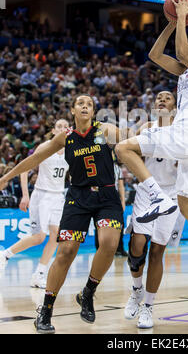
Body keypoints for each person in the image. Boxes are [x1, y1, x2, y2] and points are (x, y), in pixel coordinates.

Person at [116, 0, 188, 294]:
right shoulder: (187, 70)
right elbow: (155, 55)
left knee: (123, 147)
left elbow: (181, 52)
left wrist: (181, 19)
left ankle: (157, 198)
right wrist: (169, 24)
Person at [0, 94, 124, 334]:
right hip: (78, 196)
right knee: (66, 250)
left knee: (109, 243)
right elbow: (33, 159)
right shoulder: (64, 138)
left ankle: (87, 292)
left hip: (107, 195)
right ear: (73, 111)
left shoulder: (106, 129)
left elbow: (133, 137)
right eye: (80, 103)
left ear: (94, 110)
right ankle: (45, 311)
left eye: (89, 103)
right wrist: (6, 177)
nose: (85, 106)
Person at [124, 90, 185, 329]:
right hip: (147, 192)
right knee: (138, 242)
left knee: (158, 251)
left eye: (167, 97)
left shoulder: (182, 134)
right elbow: (130, 156)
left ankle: (148, 307)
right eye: (158, 97)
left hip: (171, 195)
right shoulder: (146, 128)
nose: (161, 99)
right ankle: (136, 291)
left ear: (175, 107)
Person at [0, 119, 69, 290]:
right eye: (59, 126)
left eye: (65, 126)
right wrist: (25, 195)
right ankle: (5, 255)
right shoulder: (45, 147)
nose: (62, 129)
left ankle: (38, 275)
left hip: (58, 196)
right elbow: (24, 169)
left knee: (56, 237)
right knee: (39, 237)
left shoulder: (71, 150)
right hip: (42, 196)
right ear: (53, 131)